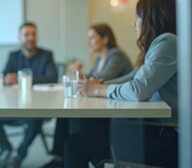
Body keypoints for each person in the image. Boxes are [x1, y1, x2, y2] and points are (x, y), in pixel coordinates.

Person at [64, 0, 178, 167]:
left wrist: (97, 89)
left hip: (168, 136)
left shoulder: (167, 42)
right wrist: (97, 86)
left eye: (137, 17)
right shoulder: (163, 45)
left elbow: (137, 89)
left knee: (75, 144)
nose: (134, 24)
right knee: (83, 127)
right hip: (155, 127)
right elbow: (133, 76)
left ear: (152, 19)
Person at [42, 23, 133, 168]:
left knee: (74, 116)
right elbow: (90, 80)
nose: (88, 42)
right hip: (105, 106)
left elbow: (101, 80)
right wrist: (79, 73)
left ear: (105, 39)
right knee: (64, 114)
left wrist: (81, 76)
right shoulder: (99, 59)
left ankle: (73, 157)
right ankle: (60, 158)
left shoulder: (116, 55)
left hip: (116, 114)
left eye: (92, 37)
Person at [0, 22, 58, 167]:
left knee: (36, 117)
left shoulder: (46, 55)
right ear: (20, 37)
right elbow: (4, 76)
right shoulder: (13, 56)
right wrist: (7, 78)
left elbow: (52, 78)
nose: (30, 38)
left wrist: (22, 79)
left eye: (34, 34)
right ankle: (6, 148)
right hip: (14, 105)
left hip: (38, 106)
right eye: (26, 34)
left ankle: (20, 154)